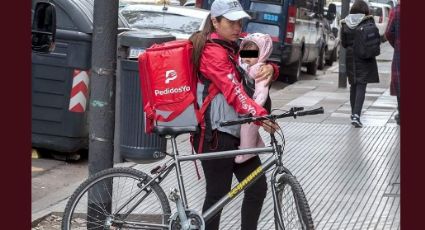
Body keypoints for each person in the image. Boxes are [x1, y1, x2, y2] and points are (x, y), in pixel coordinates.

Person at [189, 0, 279, 229]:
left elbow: (258, 61)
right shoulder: (211, 52)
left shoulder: (236, 45)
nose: (238, 26)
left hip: (237, 132)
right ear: (215, 22)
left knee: (257, 189)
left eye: (240, 21)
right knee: (217, 197)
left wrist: (272, 69)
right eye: (231, 22)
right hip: (216, 136)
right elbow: (234, 92)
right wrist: (260, 115)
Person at [340, 0, 380, 128]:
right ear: (364, 10)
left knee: (353, 85)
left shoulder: (345, 23)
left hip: (351, 57)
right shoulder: (368, 21)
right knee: (361, 86)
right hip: (364, 57)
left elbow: (344, 43)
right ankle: (356, 116)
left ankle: (354, 114)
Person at [235, 33, 273, 164]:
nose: (247, 59)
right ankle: (257, 143)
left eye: (252, 55)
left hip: (255, 108)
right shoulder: (249, 67)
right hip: (250, 106)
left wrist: (254, 109)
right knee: (249, 130)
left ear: (262, 54)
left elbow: (262, 93)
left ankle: (246, 152)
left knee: (247, 128)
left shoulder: (260, 70)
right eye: (245, 54)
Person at [385, 0, 400, 125]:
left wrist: (396, 44)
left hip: (401, 53)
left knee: (400, 83)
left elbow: (388, 32)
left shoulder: (396, 11)